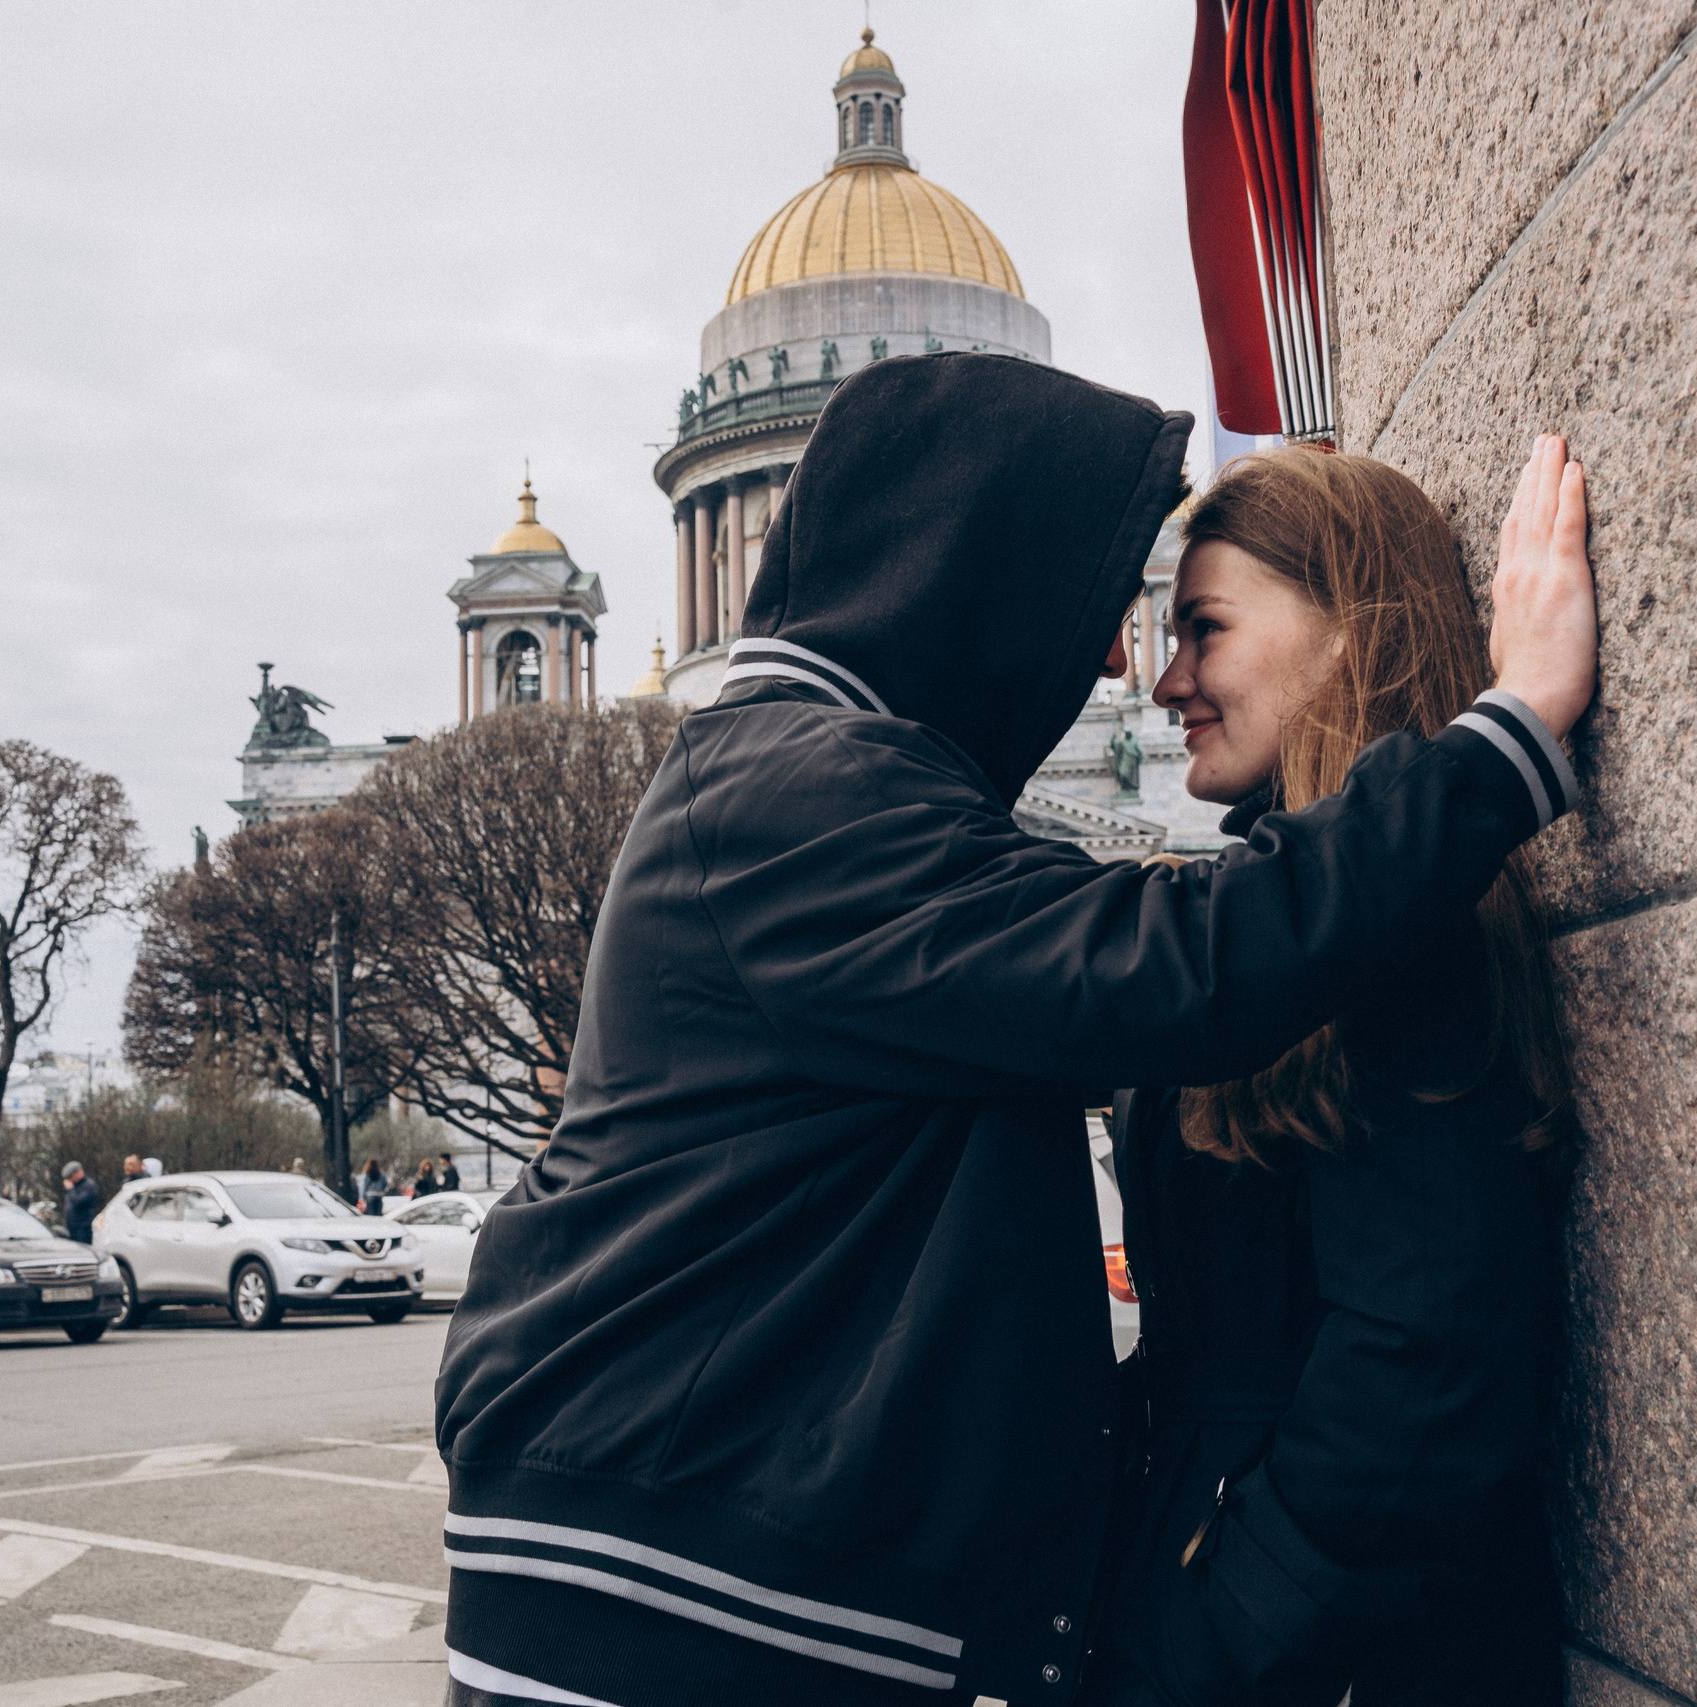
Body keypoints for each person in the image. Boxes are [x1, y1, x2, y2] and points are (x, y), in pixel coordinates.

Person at [431, 355, 1597, 1707]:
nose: (1125, 666)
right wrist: (1510, 736)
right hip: (669, 1589)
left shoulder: (805, 778)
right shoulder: (810, 787)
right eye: (1106, 603)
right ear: (974, 565)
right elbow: (1181, 964)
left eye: (1184, 626)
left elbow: (1411, 1358)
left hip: (695, 1566)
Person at [1081, 444, 1583, 1706]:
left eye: (1202, 629)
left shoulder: (1400, 946)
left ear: (1349, 637)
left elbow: (1420, 1364)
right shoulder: (1301, 922)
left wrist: (1210, 1634)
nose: (1164, 682)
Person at [60, 1162, 98, 1244]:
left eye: (70, 1177)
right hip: (72, 1229)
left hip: (82, 1229)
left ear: (79, 1172)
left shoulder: (88, 1186)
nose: (69, 1180)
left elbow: (78, 1203)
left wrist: (70, 1189)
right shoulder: (75, 1186)